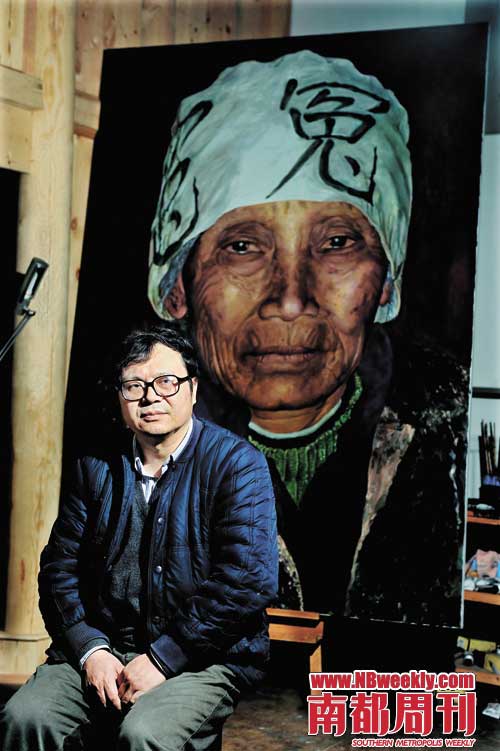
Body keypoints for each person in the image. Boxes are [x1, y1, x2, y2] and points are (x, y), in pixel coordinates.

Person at [147, 50, 468, 630]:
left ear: (385, 281)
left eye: (337, 243)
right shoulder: (132, 447)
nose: (291, 300)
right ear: (178, 288)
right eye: (242, 247)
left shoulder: (444, 426)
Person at [0, 323, 278, 751]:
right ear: (120, 396)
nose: (150, 397)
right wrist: (90, 650)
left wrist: (165, 657)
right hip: (105, 649)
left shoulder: (237, 465)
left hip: (200, 656)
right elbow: (58, 570)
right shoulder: (94, 466)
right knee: (24, 718)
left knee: (145, 734)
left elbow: (247, 580)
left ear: (193, 389)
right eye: (134, 386)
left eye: (166, 382)